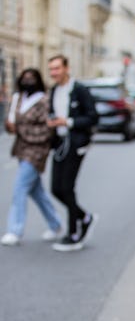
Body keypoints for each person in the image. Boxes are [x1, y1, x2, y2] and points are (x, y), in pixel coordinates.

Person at [1, 68, 62, 246]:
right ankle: (55, 224)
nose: (27, 81)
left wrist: (20, 129)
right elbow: (13, 123)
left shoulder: (43, 100)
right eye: (24, 78)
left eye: (31, 78)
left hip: (36, 152)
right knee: (37, 192)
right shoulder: (18, 99)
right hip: (21, 150)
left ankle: (15, 230)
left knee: (20, 188)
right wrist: (10, 126)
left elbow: (47, 130)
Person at [47, 54, 98, 252]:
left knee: (67, 187)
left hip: (76, 144)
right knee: (56, 188)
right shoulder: (54, 91)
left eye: (57, 68)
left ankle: (73, 234)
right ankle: (84, 217)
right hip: (59, 144)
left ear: (67, 68)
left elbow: (92, 117)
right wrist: (52, 122)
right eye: (51, 69)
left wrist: (67, 122)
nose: (54, 73)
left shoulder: (79, 90)